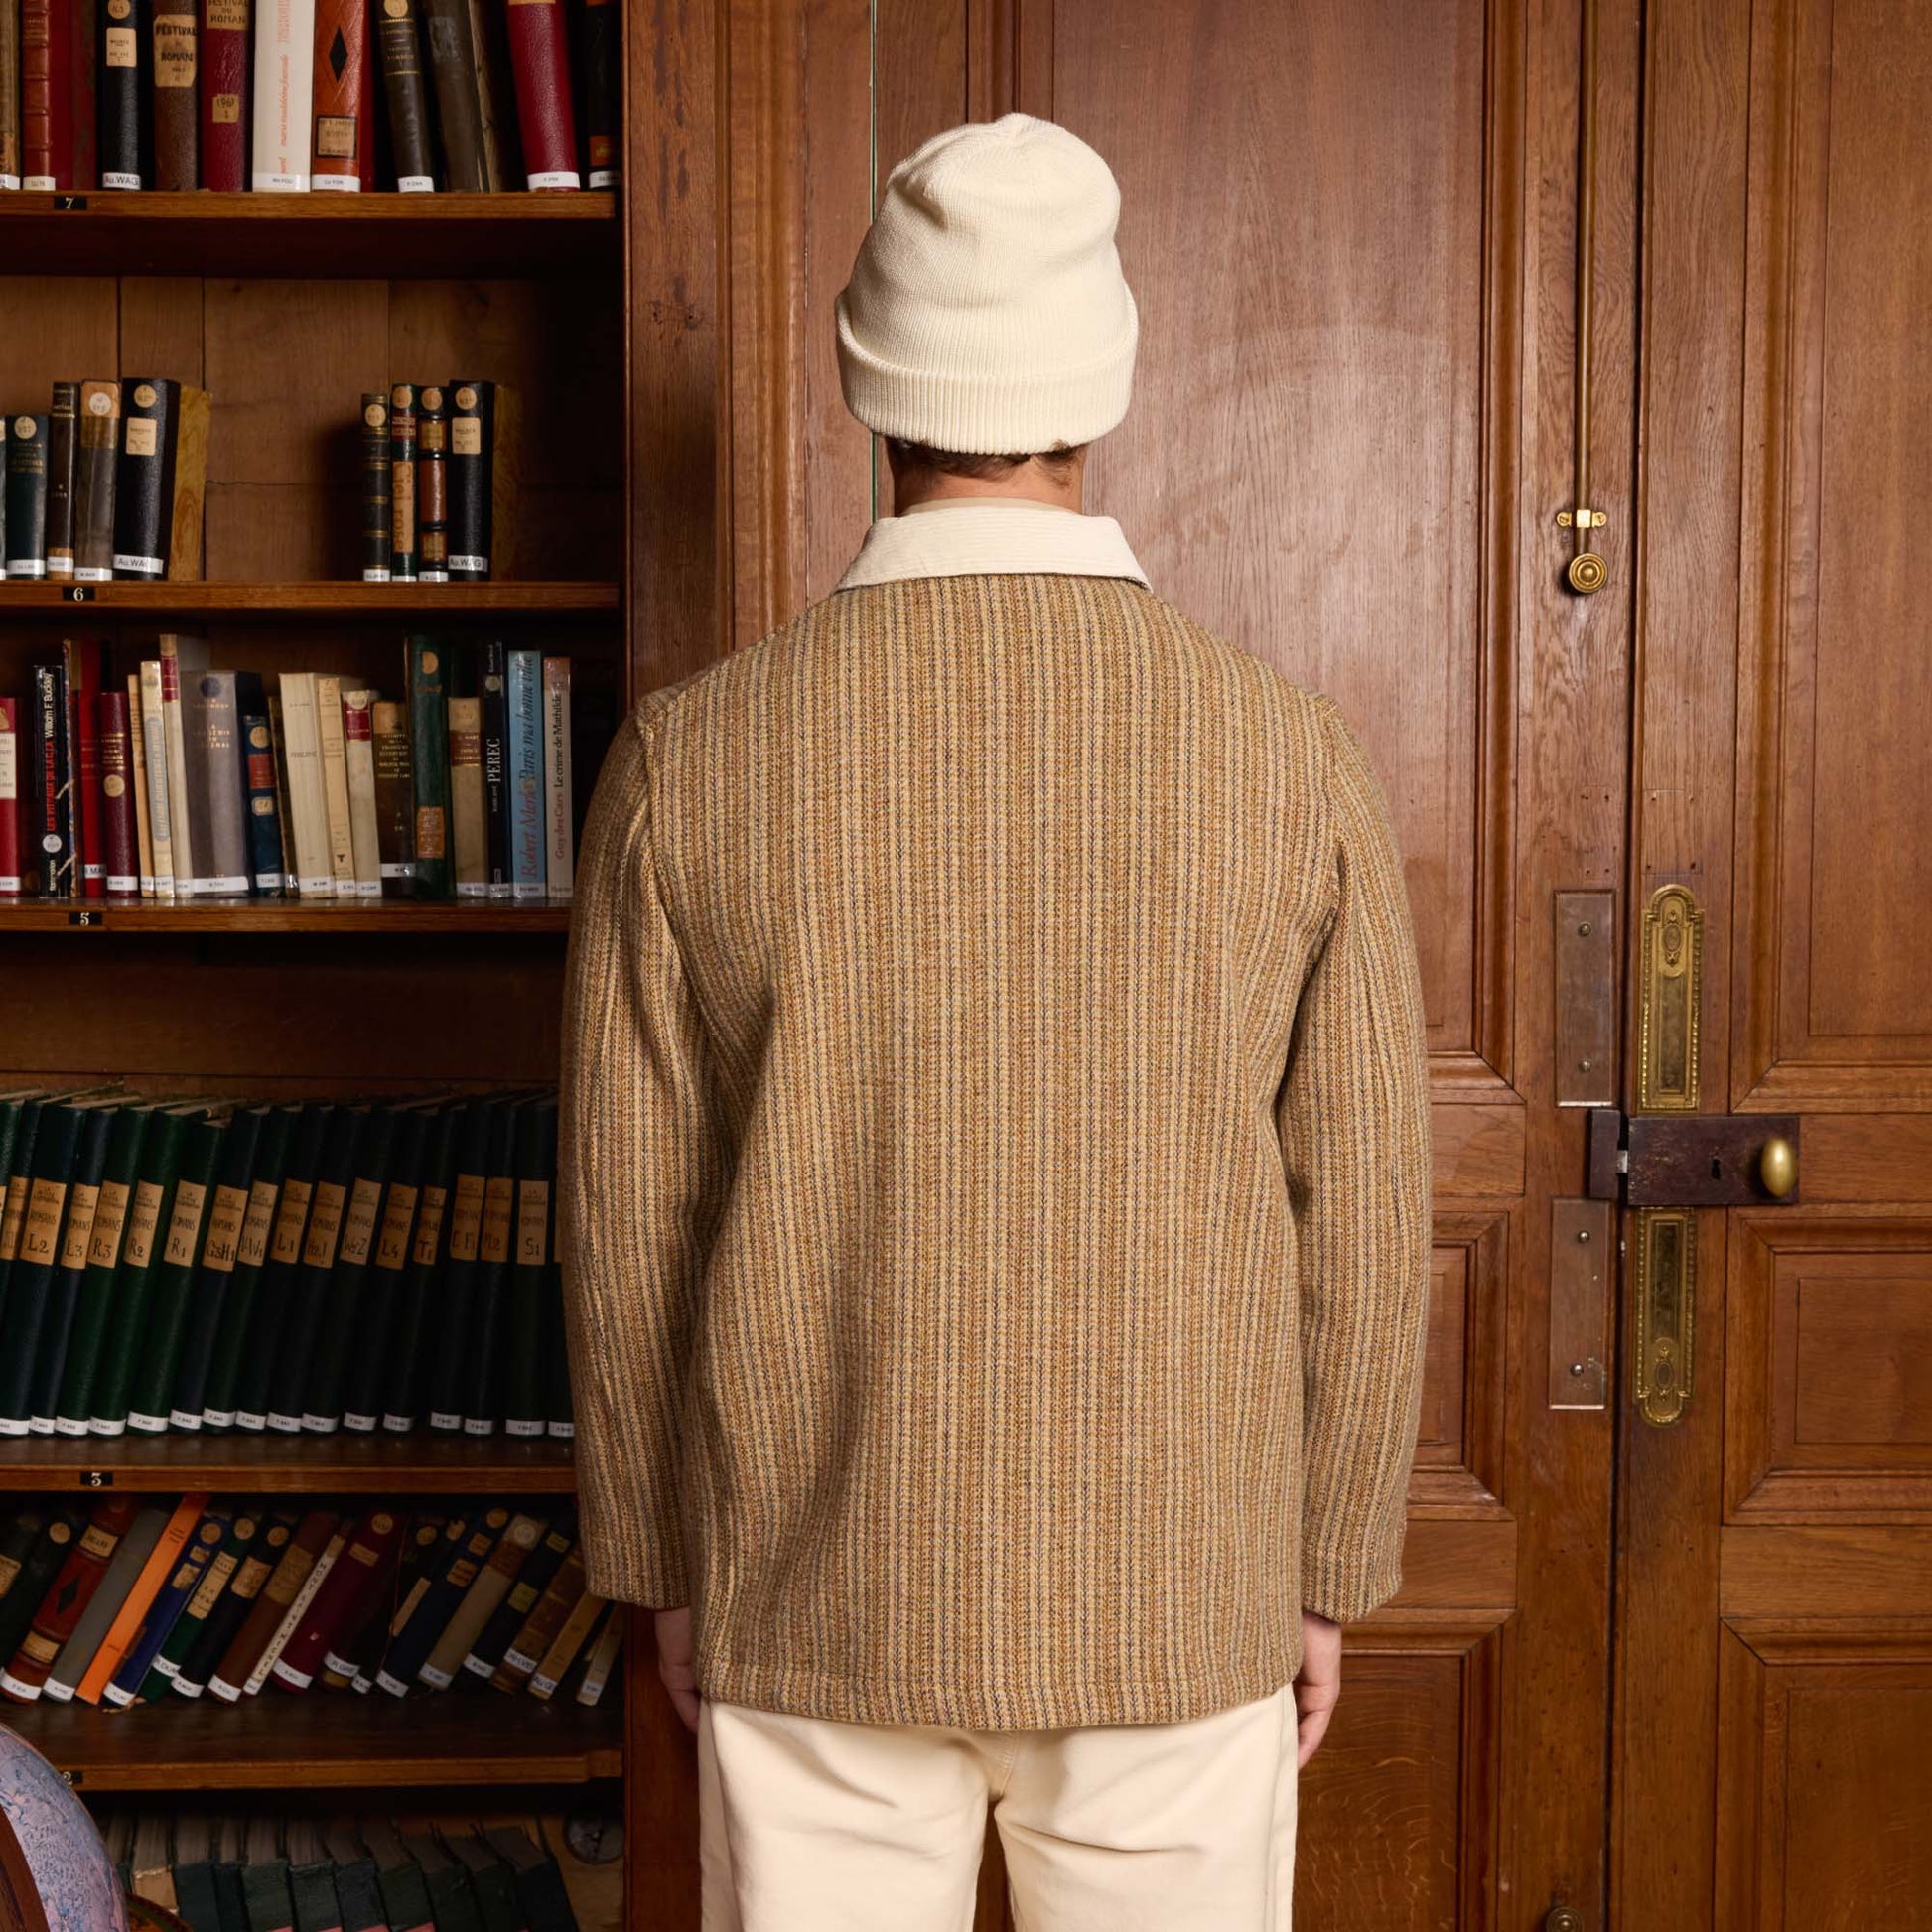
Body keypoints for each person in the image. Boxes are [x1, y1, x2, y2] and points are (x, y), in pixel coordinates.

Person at [559, 111, 1432, 1932]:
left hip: (813, 1578)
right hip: (1178, 1589)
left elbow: (630, 1222)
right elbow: (1358, 1211)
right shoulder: (1291, 758)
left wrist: (658, 1561)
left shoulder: (689, 761)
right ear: (1099, 384)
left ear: (865, 385)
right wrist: (1325, 1563)